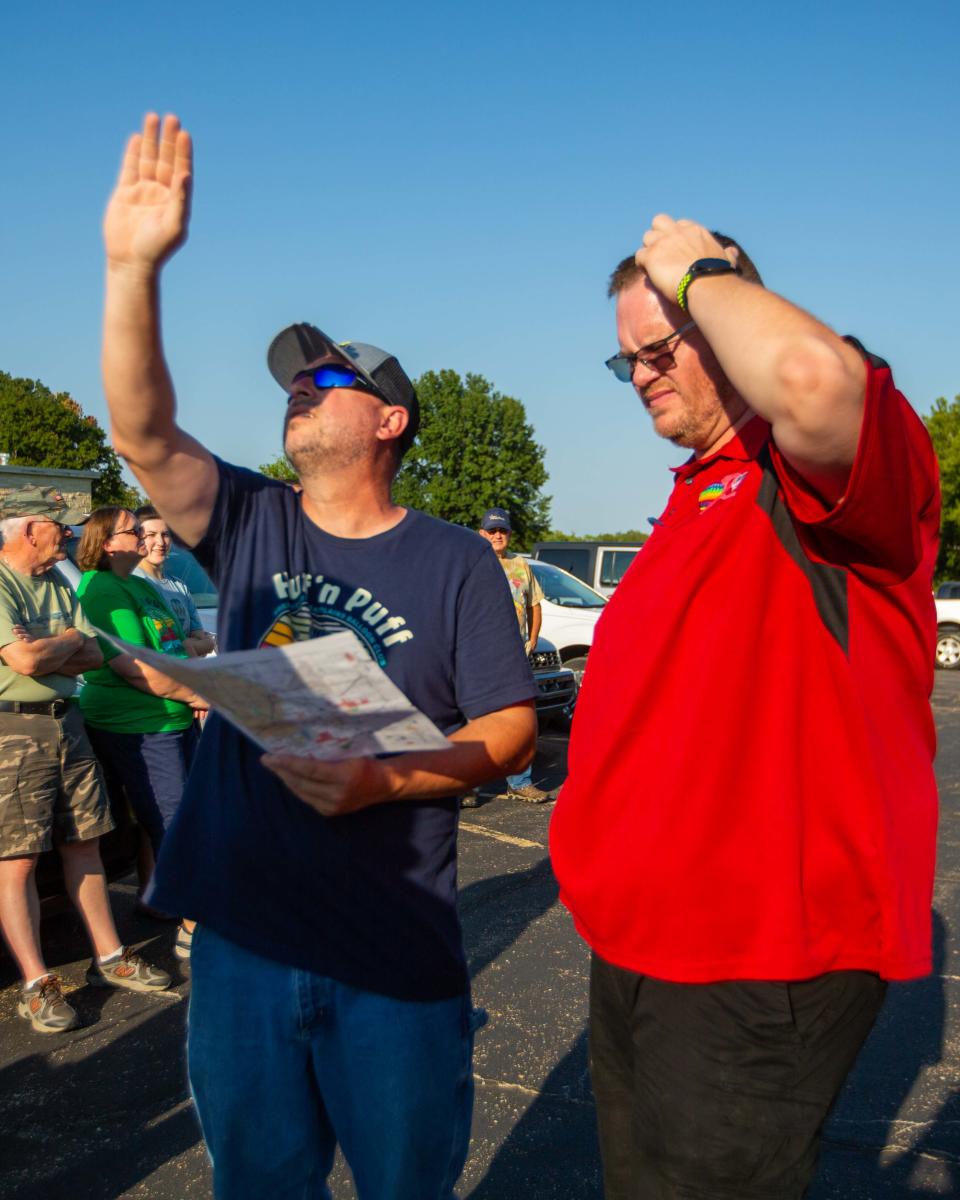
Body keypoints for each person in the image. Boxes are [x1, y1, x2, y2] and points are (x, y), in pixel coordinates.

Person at [99, 112, 537, 1199]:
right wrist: (131, 270)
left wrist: (385, 778)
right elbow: (143, 432)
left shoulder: (454, 563)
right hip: (244, 944)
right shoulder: (247, 518)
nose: (301, 389)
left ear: (389, 419)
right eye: (295, 382)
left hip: (393, 953)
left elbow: (508, 729)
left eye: (327, 381)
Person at [550, 215, 940, 1199]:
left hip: (758, 956)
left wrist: (699, 274)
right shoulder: (698, 491)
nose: (639, 375)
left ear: (725, 320)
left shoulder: (824, 477)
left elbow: (811, 379)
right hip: (642, 946)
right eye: (623, 359)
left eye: (661, 346)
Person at [0, 487, 171, 1034]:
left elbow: (93, 653)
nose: (68, 535)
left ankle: (111, 956)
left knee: (86, 842)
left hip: (66, 720)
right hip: (15, 729)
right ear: (27, 530)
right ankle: (36, 982)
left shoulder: (56, 581)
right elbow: (22, 658)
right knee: (20, 859)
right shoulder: (3, 583)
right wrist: (65, 644)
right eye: (58, 527)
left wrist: (62, 640)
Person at [75, 507, 206, 959]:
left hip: (173, 717)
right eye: (134, 531)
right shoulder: (103, 588)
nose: (147, 539)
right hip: (139, 724)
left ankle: (167, 902)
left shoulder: (139, 584)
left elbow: (178, 644)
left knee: (186, 819)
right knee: (172, 825)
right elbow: (135, 665)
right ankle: (193, 929)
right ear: (109, 543)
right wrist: (198, 695)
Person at [475, 507, 551, 803]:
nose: (497, 535)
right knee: (475, 718)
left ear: (508, 534)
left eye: (502, 531)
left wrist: (531, 639)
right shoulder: (472, 563)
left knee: (519, 719)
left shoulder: (520, 564)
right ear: (482, 533)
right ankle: (469, 786)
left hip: (514, 656)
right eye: (491, 531)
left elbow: (535, 604)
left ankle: (519, 782)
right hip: (478, 653)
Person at [133, 505, 216, 657]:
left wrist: (196, 644)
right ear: (137, 539)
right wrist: (192, 644)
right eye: (151, 535)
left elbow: (201, 638)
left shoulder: (180, 586)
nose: (161, 542)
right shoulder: (132, 583)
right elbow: (151, 646)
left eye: (165, 534)